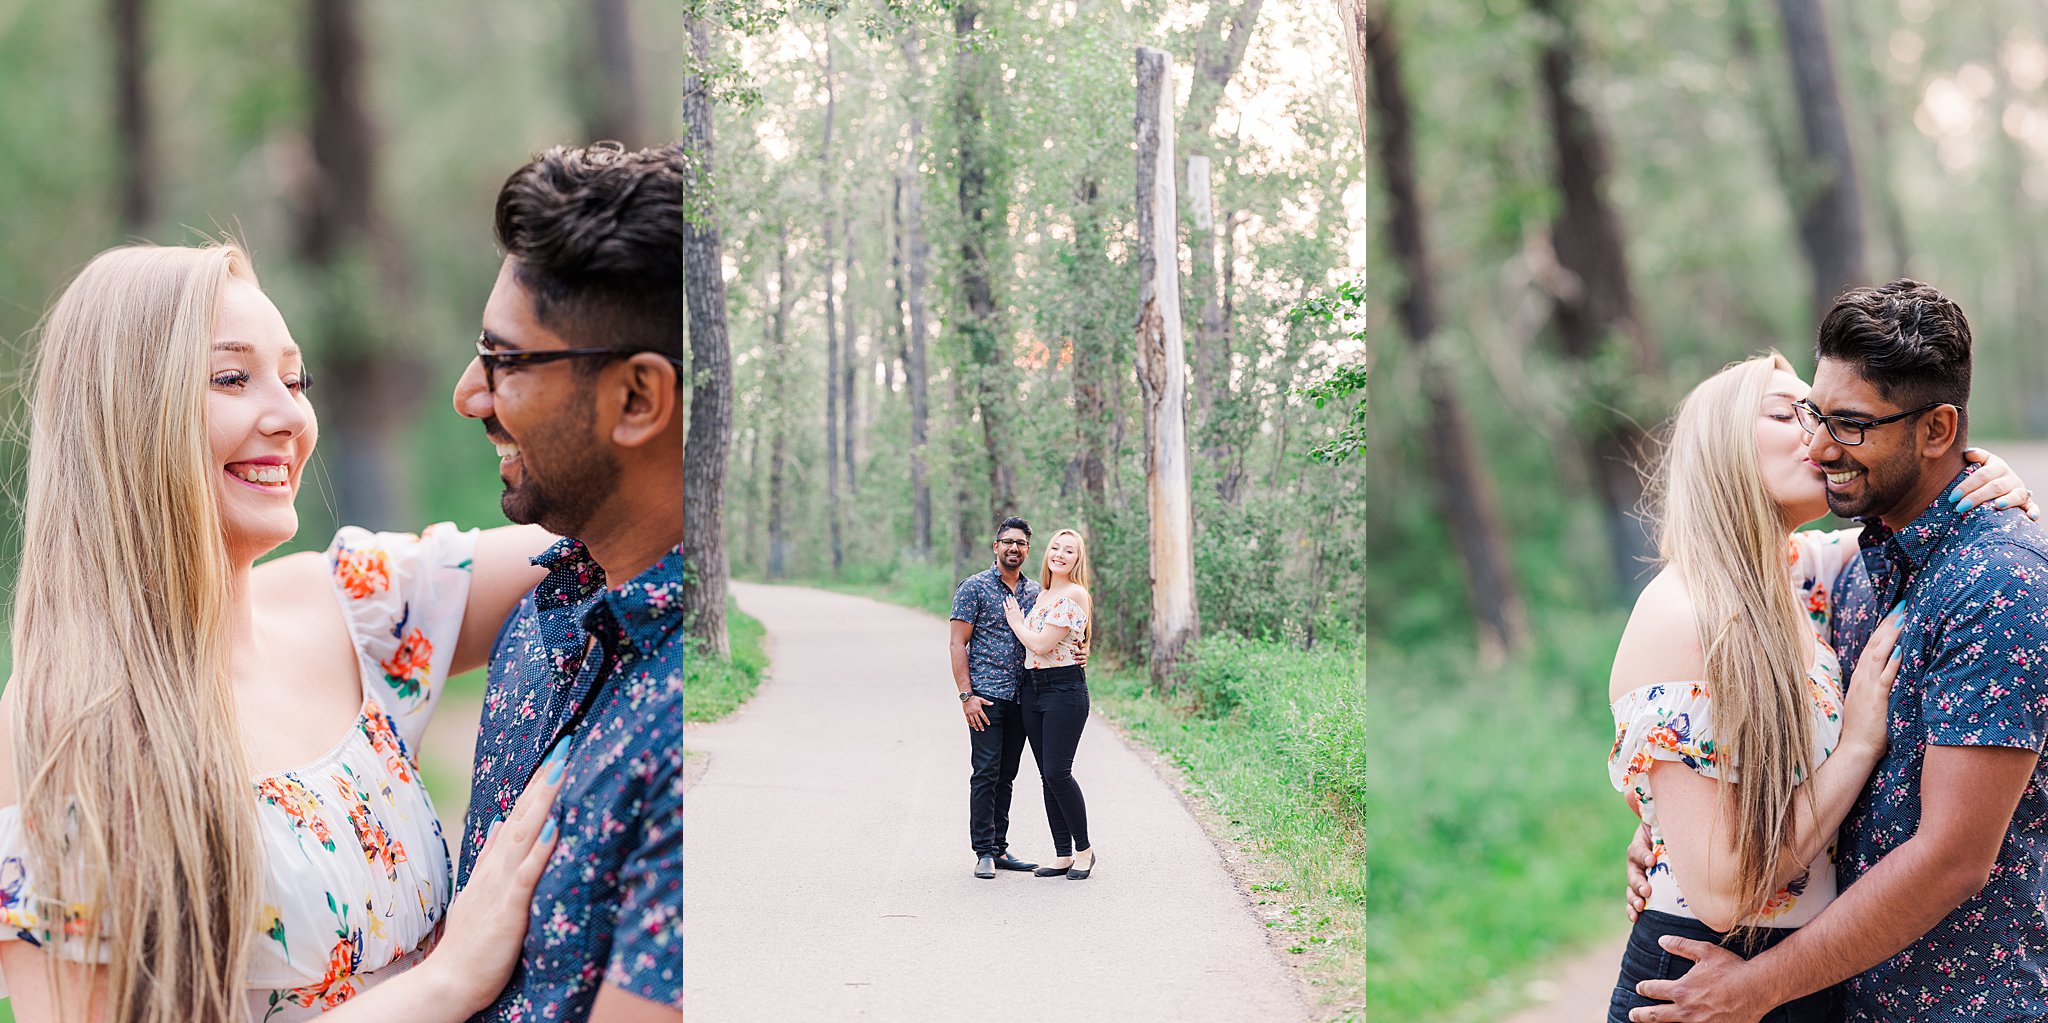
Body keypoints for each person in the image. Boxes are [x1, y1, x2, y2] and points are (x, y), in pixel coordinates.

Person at [0, 242, 566, 1023]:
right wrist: (447, 980)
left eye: (296, 381)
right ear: (125, 415)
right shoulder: (59, 734)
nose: (291, 417)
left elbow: (596, 533)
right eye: (233, 378)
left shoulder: (352, 603)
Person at [1621, 280, 2048, 1023]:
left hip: (1934, 1001)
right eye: (1802, 414)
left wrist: (1989, 480)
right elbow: (1717, 835)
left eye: (1840, 422)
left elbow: (1953, 856)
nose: (1818, 442)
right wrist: (1666, 820)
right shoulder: (1806, 583)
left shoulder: (1934, 576)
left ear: (1937, 429)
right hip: (1743, 974)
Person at [450, 141, 684, 1022]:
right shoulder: (544, 605)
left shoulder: (680, 729)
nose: (469, 394)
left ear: (637, 399)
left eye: (505, 361)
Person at [951, 517, 1044, 879]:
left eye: (1020, 543)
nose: (1013, 548)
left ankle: (1000, 847)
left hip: (1023, 697)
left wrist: (1080, 652)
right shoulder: (974, 587)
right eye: (1007, 542)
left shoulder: (1035, 592)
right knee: (986, 772)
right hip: (986, 697)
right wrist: (966, 696)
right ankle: (984, 852)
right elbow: (957, 643)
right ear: (996, 546)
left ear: (1027, 550)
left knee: (1007, 774)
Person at [1004, 527, 1097, 880]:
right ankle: (1062, 854)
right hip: (1033, 690)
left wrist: (1016, 623)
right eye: (1055, 547)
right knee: (1047, 777)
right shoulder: (1042, 594)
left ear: (1077, 559)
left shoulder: (1074, 593)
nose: (1059, 554)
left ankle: (1084, 851)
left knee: (1059, 772)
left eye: (1069, 550)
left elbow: (1042, 644)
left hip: (1064, 691)